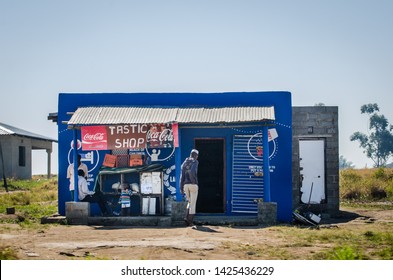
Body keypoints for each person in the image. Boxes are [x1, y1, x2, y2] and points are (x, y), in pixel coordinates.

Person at [180, 149, 199, 227]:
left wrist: (181, 188)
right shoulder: (195, 161)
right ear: (196, 156)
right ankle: (190, 221)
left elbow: (182, 176)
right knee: (193, 204)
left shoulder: (184, 163)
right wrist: (193, 180)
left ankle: (186, 219)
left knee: (189, 202)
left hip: (185, 185)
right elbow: (192, 171)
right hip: (192, 185)